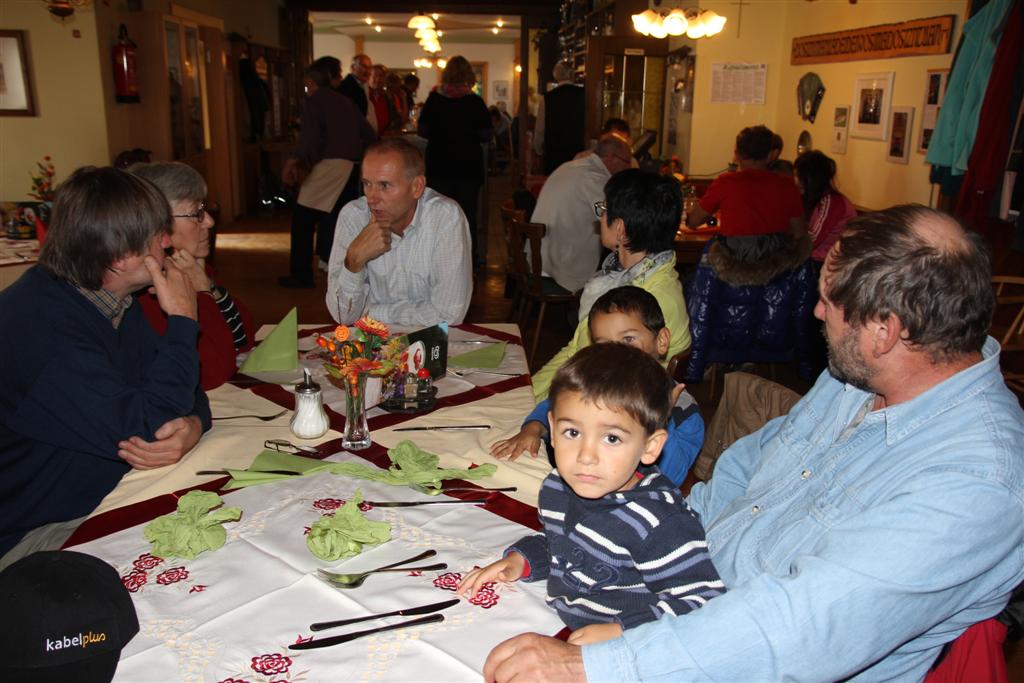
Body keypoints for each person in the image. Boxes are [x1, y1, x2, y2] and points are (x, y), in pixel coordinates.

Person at [482, 205, 1024, 683]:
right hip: (673, 605)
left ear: (884, 331)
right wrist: (636, 538)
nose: (816, 313)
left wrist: (598, 667)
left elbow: (801, 631)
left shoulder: (977, 483)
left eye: (829, 303)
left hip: (734, 655)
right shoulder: (856, 381)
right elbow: (743, 471)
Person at [0, 166, 212, 563]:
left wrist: (194, 426)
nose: (167, 242)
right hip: (31, 534)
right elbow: (150, 428)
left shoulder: (108, 300)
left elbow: (186, 394)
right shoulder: (41, 330)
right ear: (118, 257)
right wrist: (183, 320)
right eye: (156, 235)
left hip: (99, 496)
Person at [462, 343, 723, 646]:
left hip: (631, 652)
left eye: (611, 438)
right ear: (552, 428)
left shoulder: (660, 522)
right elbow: (566, 548)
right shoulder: (558, 487)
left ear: (650, 447)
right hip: (561, 627)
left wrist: (624, 630)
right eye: (572, 433)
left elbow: (705, 605)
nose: (586, 456)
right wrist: (523, 559)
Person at [492, 286, 704, 487]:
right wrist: (534, 427)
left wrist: (661, 418)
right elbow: (556, 405)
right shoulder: (595, 388)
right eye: (604, 345)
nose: (616, 353)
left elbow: (670, 478)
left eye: (628, 338)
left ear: (661, 341)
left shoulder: (684, 411)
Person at [531, 169, 691, 401]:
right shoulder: (637, 277)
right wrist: (527, 392)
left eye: (604, 210)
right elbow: (576, 351)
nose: (599, 217)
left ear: (620, 229)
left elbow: (588, 372)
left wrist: (530, 407)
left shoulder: (643, 300)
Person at [127, 162, 255, 390]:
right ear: (158, 223)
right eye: (197, 213)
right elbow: (212, 372)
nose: (209, 221)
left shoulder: (188, 266)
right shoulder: (150, 288)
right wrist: (203, 294)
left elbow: (244, 337)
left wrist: (209, 287)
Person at [326, 137, 472, 326]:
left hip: (429, 345)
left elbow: (449, 313)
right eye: (367, 184)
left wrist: (371, 313)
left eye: (384, 186)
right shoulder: (353, 217)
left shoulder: (445, 218)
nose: (371, 198)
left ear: (417, 187)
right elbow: (342, 316)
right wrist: (353, 261)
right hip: (370, 347)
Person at [278, 63, 375, 289]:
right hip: (351, 166)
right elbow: (368, 133)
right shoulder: (345, 101)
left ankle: (301, 274)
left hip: (331, 165)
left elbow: (309, 138)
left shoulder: (315, 102)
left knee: (302, 219)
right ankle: (341, 273)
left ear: (311, 83)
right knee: (339, 220)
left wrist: (293, 162)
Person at [531, 134, 634, 293]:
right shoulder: (595, 178)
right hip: (562, 270)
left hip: (537, 261)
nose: (630, 168)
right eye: (627, 162)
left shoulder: (568, 166)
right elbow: (615, 223)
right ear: (611, 157)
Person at [417, 56, 492, 269]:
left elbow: (423, 131)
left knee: (438, 214)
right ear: (468, 75)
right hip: (468, 166)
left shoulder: (434, 100)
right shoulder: (474, 102)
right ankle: (468, 262)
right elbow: (486, 134)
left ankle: (438, 260)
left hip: (439, 165)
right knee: (467, 215)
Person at [687, 125, 806, 258]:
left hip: (732, 268)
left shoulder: (725, 183)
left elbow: (694, 221)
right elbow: (799, 233)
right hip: (774, 268)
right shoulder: (787, 185)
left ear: (737, 155)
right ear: (769, 155)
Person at [794, 150, 857, 264]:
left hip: (826, 263)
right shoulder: (819, 199)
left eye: (799, 177)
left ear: (811, 180)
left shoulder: (832, 202)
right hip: (817, 260)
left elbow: (812, 241)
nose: (797, 182)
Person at [534, 61, 586, 175]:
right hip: (577, 152)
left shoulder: (547, 98)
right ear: (572, 75)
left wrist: (538, 149)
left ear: (555, 76)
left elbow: (540, 128)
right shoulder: (584, 95)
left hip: (554, 152)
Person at [339, 53, 373, 132]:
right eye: (363, 66)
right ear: (352, 68)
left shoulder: (364, 85)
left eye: (369, 67)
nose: (367, 71)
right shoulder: (346, 87)